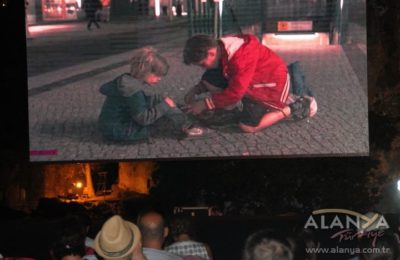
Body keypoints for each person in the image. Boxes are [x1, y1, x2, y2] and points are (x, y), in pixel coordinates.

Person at [182, 34, 317, 133]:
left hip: (271, 85)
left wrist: (205, 103)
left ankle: (296, 106)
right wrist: (196, 89)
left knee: (248, 126)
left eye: (202, 64)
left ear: (211, 53)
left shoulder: (240, 58)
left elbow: (235, 93)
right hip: (256, 76)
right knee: (209, 77)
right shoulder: (221, 47)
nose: (203, 68)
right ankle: (228, 107)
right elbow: (215, 77)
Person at [97, 47, 205, 142]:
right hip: (120, 130)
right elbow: (144, 119)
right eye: (157, 75)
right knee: (161, 122)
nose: (159, 79)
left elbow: (141, 102)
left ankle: (184, 117)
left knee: (160, 100)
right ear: (145, 71)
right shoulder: (132, 90)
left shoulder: (127, 80)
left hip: (112, 126)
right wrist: (165, 105)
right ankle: (185, 127)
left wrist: (165, 102)